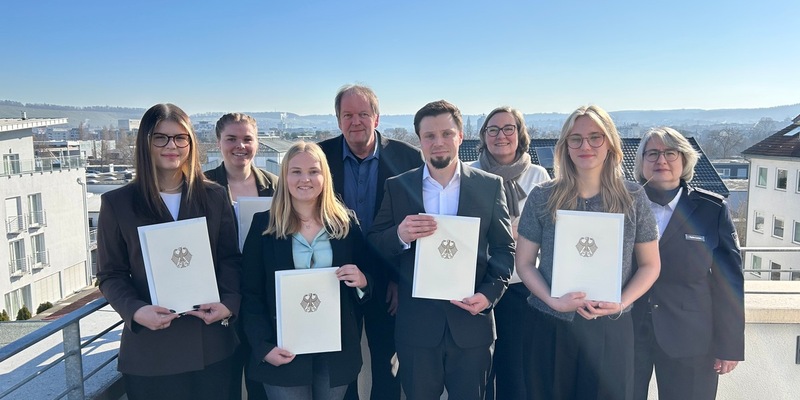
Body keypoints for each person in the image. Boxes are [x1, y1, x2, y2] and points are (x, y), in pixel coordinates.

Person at [368, 100, 515, 400]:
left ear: (461, 136)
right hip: (416, 330)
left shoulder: (490, 186)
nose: (439, 143)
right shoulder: (398, 186)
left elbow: (504, 249)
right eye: (430, 136)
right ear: (419, 140)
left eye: (447, 134)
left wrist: (488, 296)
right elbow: (374, 242)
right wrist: (399, 234)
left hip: (472, 325)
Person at [515, 105, 661, 400]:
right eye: (576, 138)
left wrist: (621, 302)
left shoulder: (633, 198)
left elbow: (650, 265)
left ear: (610, 144)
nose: (586, 146)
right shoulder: (543, 196)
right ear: (565, 146)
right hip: (551, 325)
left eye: (595, 137)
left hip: (612, 327)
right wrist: (552, 300)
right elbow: (525, 263)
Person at [97, 103, 240, 400]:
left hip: (211, 345)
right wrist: (135, 311)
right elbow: (110, 274)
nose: (171, 146)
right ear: (145, 143)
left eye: (180, 138)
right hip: (152, 352)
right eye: (160, 137)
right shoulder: (118, 204)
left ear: (190, 143)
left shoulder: (214, 196)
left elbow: (229, 259)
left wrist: (229, 303)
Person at [240, 141, 371, 400]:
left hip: (336, 352)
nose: (305, 179)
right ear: (284, 177)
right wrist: (263, 347)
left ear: (325, 176)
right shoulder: (263, 227)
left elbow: (370, 282)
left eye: (313, 171)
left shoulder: (346, 224)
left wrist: (363, 281)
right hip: (283, 351)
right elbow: (250, 294)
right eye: (296, 171)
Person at [319, 84, 423, 400]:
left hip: (389, 282)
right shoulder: (319, 158)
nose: (355, 122)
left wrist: (398, 280)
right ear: (338, 120)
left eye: (363, 114)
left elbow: (418, 226)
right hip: (334, 281)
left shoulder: (408, 158)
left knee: (388, 367)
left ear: (376, 118)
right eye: (347, 115)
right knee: (341, 369)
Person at [631, 127, 744, 400]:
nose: (661, 160)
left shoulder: (711, 210)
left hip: (691, 338)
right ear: (641, 163)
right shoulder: (623, 205)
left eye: (671, 153)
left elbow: (729, 281)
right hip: (628, 333)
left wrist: (729, 345)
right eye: (653, 154)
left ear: (684, 161)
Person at [471, 106, 550, 400]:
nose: (500, 135)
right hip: (482, 283)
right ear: (483, 135)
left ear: (520, 134)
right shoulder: (470, 173)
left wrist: (525, 230)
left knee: (516, 372)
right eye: (492, 129)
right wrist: (506, 229)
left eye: (508, 129)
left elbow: (549, 228)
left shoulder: (538, 175)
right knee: (479, 369)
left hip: (522, 286)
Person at [204, 112, 276, 400]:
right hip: (220, 296)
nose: (240, 146)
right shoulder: (200, 186)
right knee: (226, 382)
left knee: (261, 380)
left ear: (257, 143)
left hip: (262, 297)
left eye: (247, 139)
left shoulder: (276, 185)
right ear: (218, 142)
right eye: (231, 139)